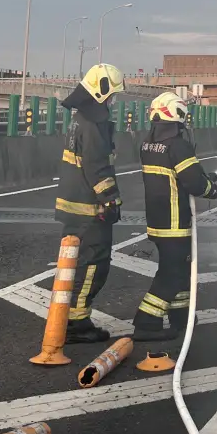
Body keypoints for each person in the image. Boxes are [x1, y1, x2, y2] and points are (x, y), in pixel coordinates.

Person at [132, 91, 217, 341]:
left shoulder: (148, 144)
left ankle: (182, 318)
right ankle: (146, 321)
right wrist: (211, 188)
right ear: (178, 114)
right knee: (173, 273)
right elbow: (193, 182)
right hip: (174, 222)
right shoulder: (178, 145)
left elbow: (178, 175)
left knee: (178, 269)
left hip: (158, 220)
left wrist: (201, 176)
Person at [54, 62, 125, 343]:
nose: (113, 101)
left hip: (72, 207)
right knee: (94, 265)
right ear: (101, 92)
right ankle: (77, 323)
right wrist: (110, 201)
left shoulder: (78, 119)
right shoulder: (94, 125)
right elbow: (97, 167)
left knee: (74, 265)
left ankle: (65, 316)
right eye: (112, 96)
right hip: (89, 210)